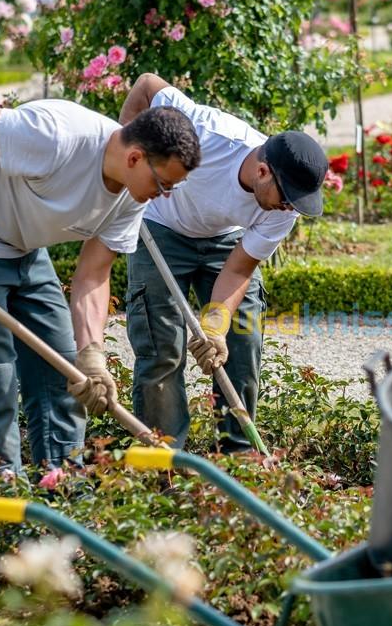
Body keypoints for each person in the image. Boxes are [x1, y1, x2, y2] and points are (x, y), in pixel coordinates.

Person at [0, 99, 201, 478]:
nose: (165, 195)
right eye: (163, 184)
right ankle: (4, 511)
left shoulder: (133, 193)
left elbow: (92, 275)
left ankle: (61, 492)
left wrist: (92, 354)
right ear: (135, 157)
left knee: (67, 375)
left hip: (22, 245)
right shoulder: (56, 136)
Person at [118, 73, 328, 452]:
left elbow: (238, 269)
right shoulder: (205, 132)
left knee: (241, 336)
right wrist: (124, 156)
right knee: (161, 346)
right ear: (263, 171)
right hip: (162, 226)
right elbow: (148, 85)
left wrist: (215, 326)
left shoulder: (284, 207)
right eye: (287, 199)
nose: (289, 208)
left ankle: (238, 454)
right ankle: (163, 457)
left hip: (224, 240)